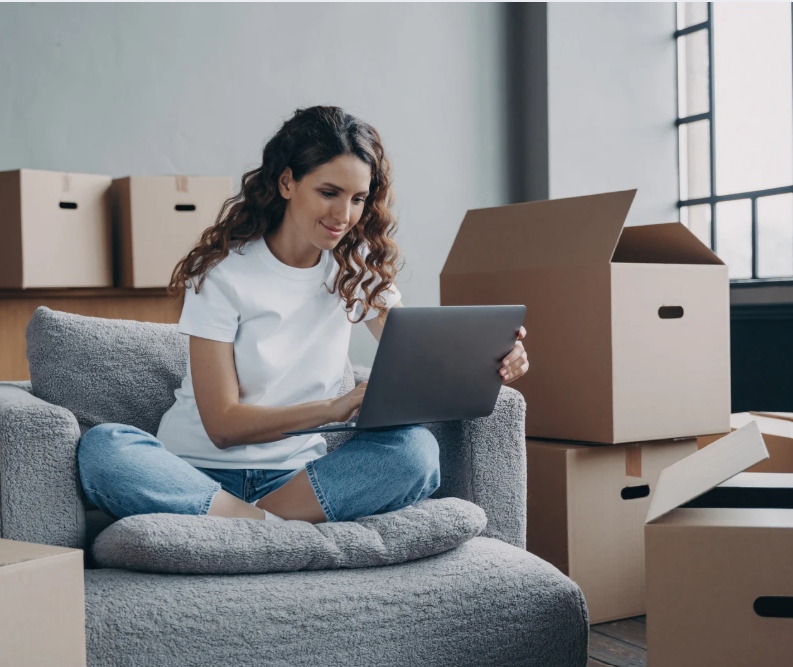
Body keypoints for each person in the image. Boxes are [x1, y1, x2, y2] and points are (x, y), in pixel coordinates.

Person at [77, 105, 529, 525]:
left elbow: (424, 360)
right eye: (329, 193)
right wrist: (331, 409)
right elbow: (222, 426)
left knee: (415, 451)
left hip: (297, 482)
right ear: (287, 182)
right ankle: (266, 528)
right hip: (194, 472)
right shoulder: (224, 274)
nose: (344, 215)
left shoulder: (357, 269)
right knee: (104, 447)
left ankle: (243, 528)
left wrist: (492, 360)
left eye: (357, 198)